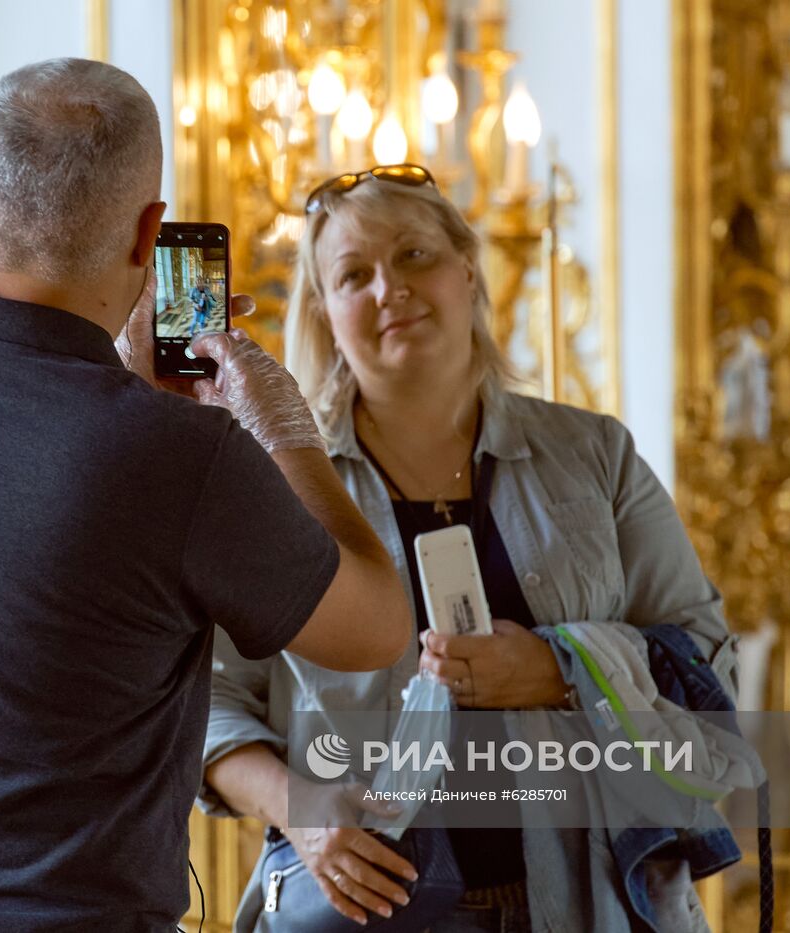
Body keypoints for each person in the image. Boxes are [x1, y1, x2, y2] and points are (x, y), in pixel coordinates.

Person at [0, 61, 411, 932]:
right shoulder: (177, 456)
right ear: (150, 233)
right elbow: (373, 627)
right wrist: (283, 428)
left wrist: (137, 415)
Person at [200, 166, 740, 932]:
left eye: (415, 256)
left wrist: (560, 668)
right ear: (323, 311)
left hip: (592, 906)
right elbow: (205, 700)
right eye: (355, 274)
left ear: (468, 267)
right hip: (366, 913)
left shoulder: (594, 453)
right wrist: (303, 810)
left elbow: (712, 662)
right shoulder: (275, 479)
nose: (389, 289)